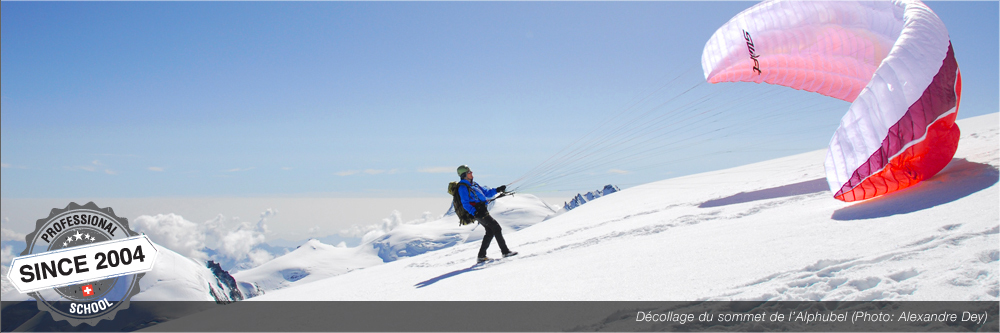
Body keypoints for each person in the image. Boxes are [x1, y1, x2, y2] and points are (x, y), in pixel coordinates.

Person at [456, 165, 517, 262]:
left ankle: (481, 256)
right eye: (469, 172)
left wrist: (497, 190)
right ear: (464, 175)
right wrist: (475, 212)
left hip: (482, 210)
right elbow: (465, 203)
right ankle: (505, 252)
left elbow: (486, 193)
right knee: (496, 227)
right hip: (478, 212)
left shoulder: (474, 184)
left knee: (490, 231)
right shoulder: (463, 187)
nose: (471, 173)